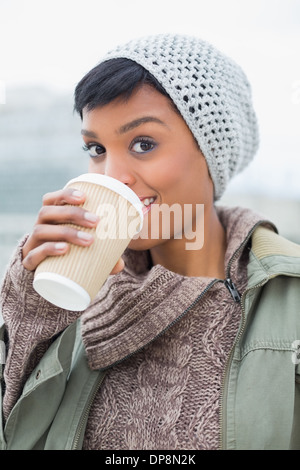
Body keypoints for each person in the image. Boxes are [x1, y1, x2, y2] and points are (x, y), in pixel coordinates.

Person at [1, 33, 300, 451]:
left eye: (143, 144)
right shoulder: (72, 295)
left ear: (212, 153)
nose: (111, 175)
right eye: (96, 148)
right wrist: (33, 309)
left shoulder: (290, 297)